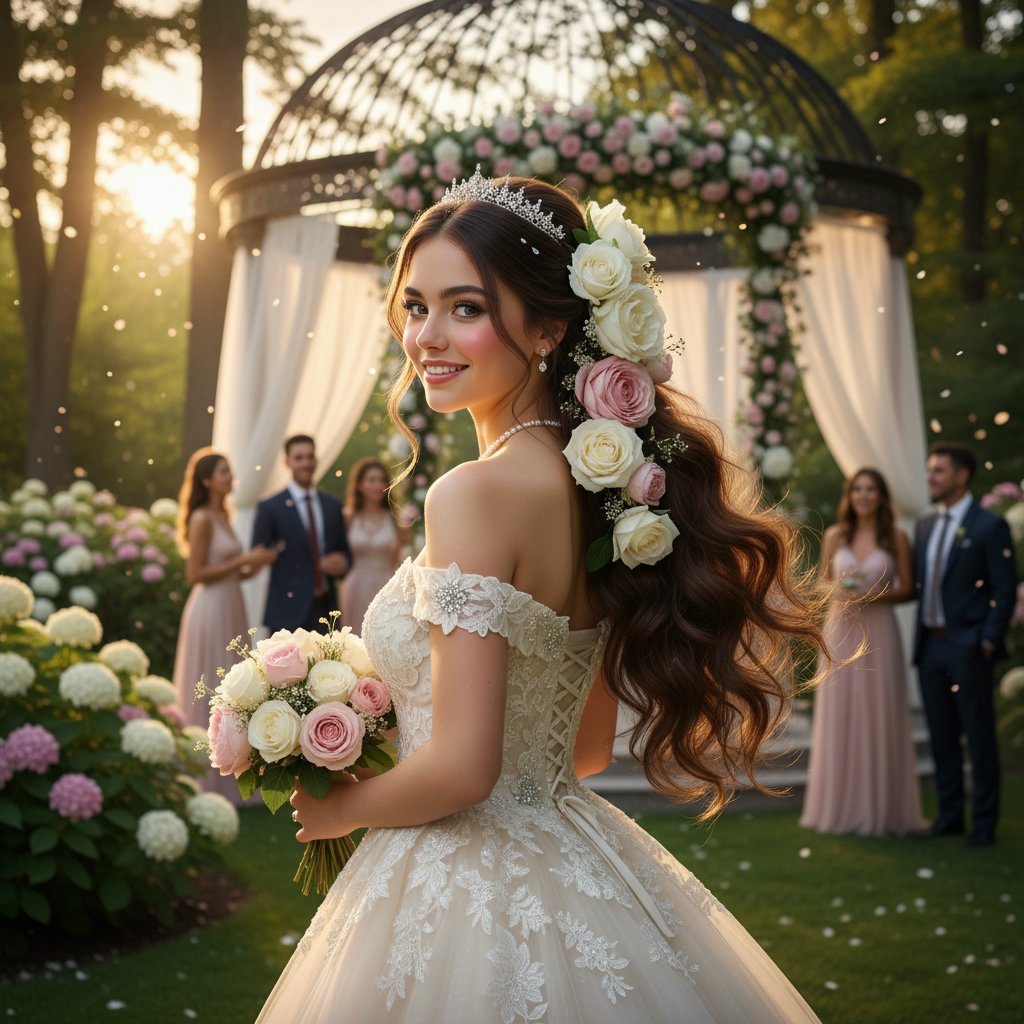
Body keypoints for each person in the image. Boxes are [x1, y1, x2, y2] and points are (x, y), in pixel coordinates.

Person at [256, 175, 824, 1022]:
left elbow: (464, 769)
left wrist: (340, 806)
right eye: (415, 306)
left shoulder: (474, 494)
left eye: (465, 308)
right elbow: (585, 750)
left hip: (462, 882)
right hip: (572, 851)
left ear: (551, 328)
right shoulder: (601, 492)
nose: (427, 337)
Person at [800, 468, 927, 836]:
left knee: (880, 712)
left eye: (871, 489)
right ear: (850, 495)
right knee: (841, 713)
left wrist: (873, 595)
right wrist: (840, 590)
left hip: (880, 630)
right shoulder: (835, 535)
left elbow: (909, 589)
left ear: (881, 496)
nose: (864, 495)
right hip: (841, 629)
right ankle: (840, 806)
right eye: (858, 489)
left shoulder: (897, 538)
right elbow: (823, 582)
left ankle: (884, 808)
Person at [913, 443, 1017, 848]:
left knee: (978, 737)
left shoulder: (989, 525)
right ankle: (950, 816)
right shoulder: (924, 526)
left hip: (970, 647)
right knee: (942, 736)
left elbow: (1004, 589)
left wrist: (987, 641)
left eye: (938, 471)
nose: (930, 477)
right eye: (930, 470)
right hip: (930, 647)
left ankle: (986, 822)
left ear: (962, 475)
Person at [171, 448, 277, 802]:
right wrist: (244, 559)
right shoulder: (201, 517)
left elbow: (235, 569)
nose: (230, 477)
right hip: (210, 607)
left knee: (232, 686)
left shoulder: (223, 514)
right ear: (206, 480)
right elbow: (195, 573)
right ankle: (202, 775)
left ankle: (234, 769)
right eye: (223, 472)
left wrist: (256, 565)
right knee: (211, 682)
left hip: (231, 604)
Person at [251, 434, 353, 633]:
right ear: (287, 462)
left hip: (326, 609)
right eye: (299, 458)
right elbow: (258, 553)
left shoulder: (332, 506)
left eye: (310, 457)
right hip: (286, 611)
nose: (306, 463)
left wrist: (342, 563)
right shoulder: (270, 508)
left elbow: (346, 555)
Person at [340, 457, 406, 632]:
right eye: (371, 480)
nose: (378, 485)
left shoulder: (394, 519)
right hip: (355, 586)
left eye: (382, 480)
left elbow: (396, 561)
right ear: (359, 485)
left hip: (385, 586)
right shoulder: (347, 517)